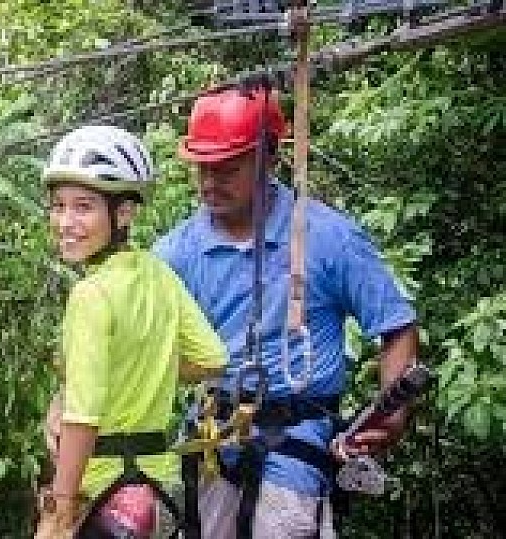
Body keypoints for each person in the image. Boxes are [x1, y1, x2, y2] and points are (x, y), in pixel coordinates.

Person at [153, 84, 419, 538]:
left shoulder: (327, 237)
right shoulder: (177, 253)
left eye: (227, 168)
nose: (211, 182)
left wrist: (391, 416)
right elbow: (129, 339)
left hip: (296, 443)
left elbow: (395, 325)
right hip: (213, 441)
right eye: (203, 168)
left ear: (269, 158)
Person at [34, 125, 227, 538]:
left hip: (104, 495)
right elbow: (212, 359)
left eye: (83, 207)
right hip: (157, 497)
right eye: (58, 206)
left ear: (123, 213)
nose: (65, 222)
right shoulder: (159, 275)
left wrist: (60, 508)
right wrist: (143, 370)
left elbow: (82, 418)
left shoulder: (90, 295)